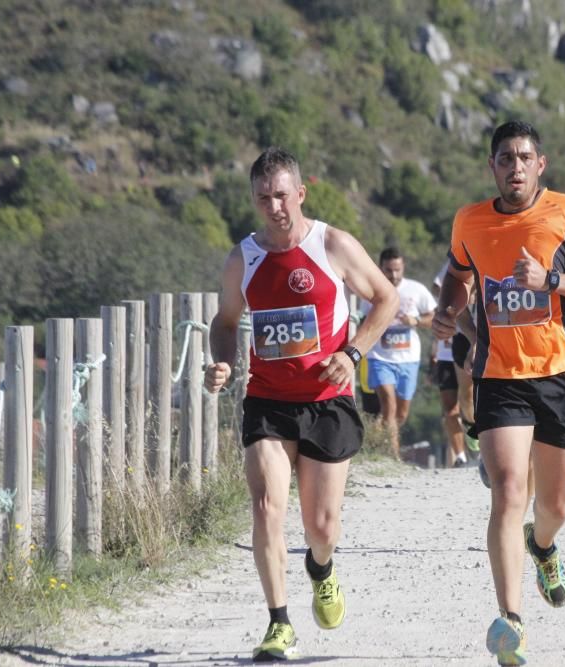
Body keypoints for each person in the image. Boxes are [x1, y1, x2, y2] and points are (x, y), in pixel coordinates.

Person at [432, 120, 565, 666]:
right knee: (508, 487)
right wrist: (449, 311)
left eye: (524, 157)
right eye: (504, 158)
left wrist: (552, 283)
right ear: (492, 166)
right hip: (498, 375)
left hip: (559, 372)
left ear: (540, 165)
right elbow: (457, 274)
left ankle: (542, 546)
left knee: (555, 505)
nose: (514, 166)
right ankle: (510, 619)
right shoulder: (469, 221)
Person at [204, 147, 399, 662]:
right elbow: (224, 323)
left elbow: (386, 298)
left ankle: (321, 568)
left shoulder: (331, 244)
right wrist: (222, 362)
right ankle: (279, 622)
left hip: (327, 401)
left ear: (301, 194)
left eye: (282, 196)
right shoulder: (241, 259)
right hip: (267, 401)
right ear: (254, 199)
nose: (275, 207)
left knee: (321, 527)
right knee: (268, 506)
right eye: (264, 198)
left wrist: (353, 351)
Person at [362, 248, 436, 459]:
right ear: (380, 268)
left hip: (408, 358)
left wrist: (416, 321)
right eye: (388, 270)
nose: (393, 275)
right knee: (389, 404)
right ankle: (393, 457)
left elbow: (433, 316)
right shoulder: (370, 290)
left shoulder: (416, 289)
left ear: (403, 267)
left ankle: (377, 435)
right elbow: (361, 319)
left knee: (400, 413)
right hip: (379, 357)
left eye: (397, 270)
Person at [431, 261, 472, 467]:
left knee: (469, 399)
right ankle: (460, 456)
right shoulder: (456, 261)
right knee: (451, 407)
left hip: (476, 339)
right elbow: (438, 286)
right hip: (451, 345)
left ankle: (474, 427)